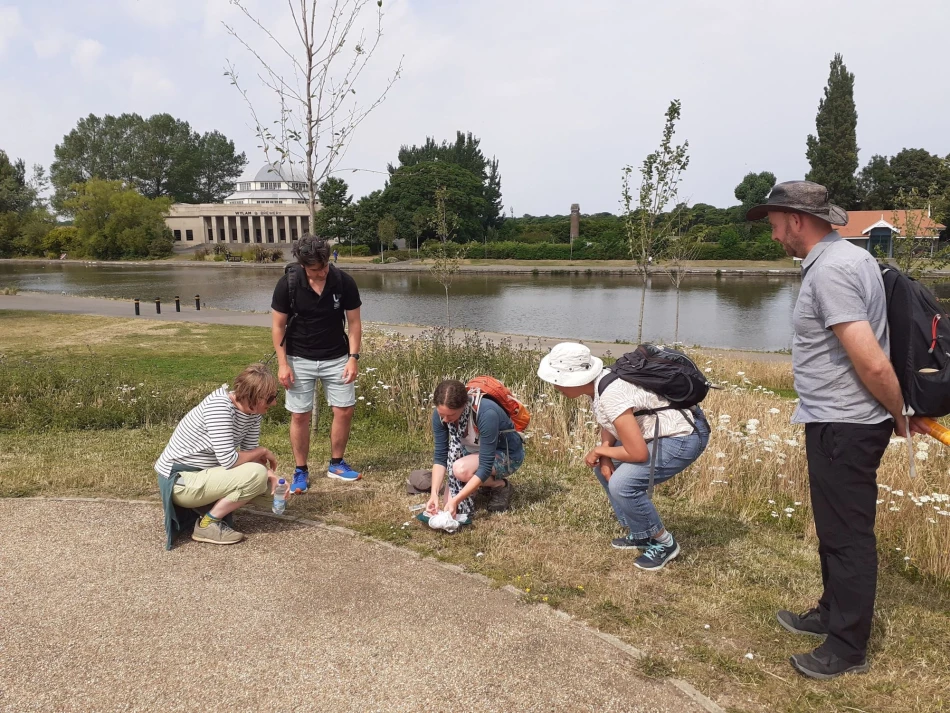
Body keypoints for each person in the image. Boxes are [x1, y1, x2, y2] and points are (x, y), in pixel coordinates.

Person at [746, 180, 926, 680]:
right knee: (833, 528)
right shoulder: (846, 259)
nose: (775, 234)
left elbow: (870, 361)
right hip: (835, 420)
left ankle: (847, 647)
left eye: (777, 223)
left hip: (845, 424)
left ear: (798, 221)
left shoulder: (833, 271)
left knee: (847, 536)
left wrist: (898, 412)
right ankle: (830, 610)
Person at [537, 342, 709, 571]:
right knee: (603, 468)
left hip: (682, 437)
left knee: (623, 484)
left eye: (556, 381)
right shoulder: (600, 382)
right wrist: (606, 456)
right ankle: (642, 533)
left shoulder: (611, 393)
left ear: (573, 379)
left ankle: (664, 543)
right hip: (659, 434)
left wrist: (600, 451)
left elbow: (636, 453)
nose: (554, 386)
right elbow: (610, 421)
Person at [272, 235, 363, 492]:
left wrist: (353, 358)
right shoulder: (287, 284)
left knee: (344, 410)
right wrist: (283, 364)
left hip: (337, 357)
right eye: (316, 269)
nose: (322, 272)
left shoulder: (343, 281)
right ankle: (301, 470)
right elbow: (278, 327)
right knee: (300, 414)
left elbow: (354, 324)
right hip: (298, 358)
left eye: (325, 266)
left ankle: (337, 464)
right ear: (302, 265)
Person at [155, 364, 282, 546]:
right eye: (270, 398)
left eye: (274, 397)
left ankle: (209, 509)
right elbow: (229, 460)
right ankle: (207, 524)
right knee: (257, 475)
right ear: (253, 396)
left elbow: (249, 455)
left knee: (272, 493)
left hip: (204, 475)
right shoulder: (219, 407)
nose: (274, 403)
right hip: (180, 481)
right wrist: (262, 452)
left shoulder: (253, 412)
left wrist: (270, 475)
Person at [426, 379, 524, 520]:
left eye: (451, 415)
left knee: (460, 470)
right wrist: (434, 494)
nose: (446, 420)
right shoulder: (440, 415)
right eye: (442, 415)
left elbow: (485, 465)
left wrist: (456, 500)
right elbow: (441, 456)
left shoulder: (486, 413)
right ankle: (478, 485)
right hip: (472, 454)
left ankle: (499, 485)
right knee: (450, 507)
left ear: (464, 405)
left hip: (507, 454)